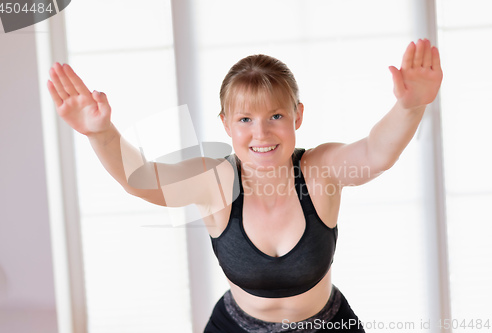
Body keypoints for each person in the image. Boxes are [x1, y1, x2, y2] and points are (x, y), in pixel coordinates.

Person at [47, 39, 442, 332]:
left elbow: (376, 153)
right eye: (245, 120)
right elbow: (143, 180)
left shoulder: (320, 169)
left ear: (297, 116)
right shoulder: (215, 181)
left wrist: (411, 106)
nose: (261, 133)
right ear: (225, 124)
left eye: (275, 115)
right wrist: (101, 133)